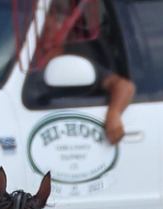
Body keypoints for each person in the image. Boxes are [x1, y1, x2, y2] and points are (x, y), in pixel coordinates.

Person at [34, 0, 133, 142]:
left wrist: (114, 114)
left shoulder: (73, 59)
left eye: (47, 29)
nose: (42, 36)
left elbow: (125, 86)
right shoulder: (23, 62)